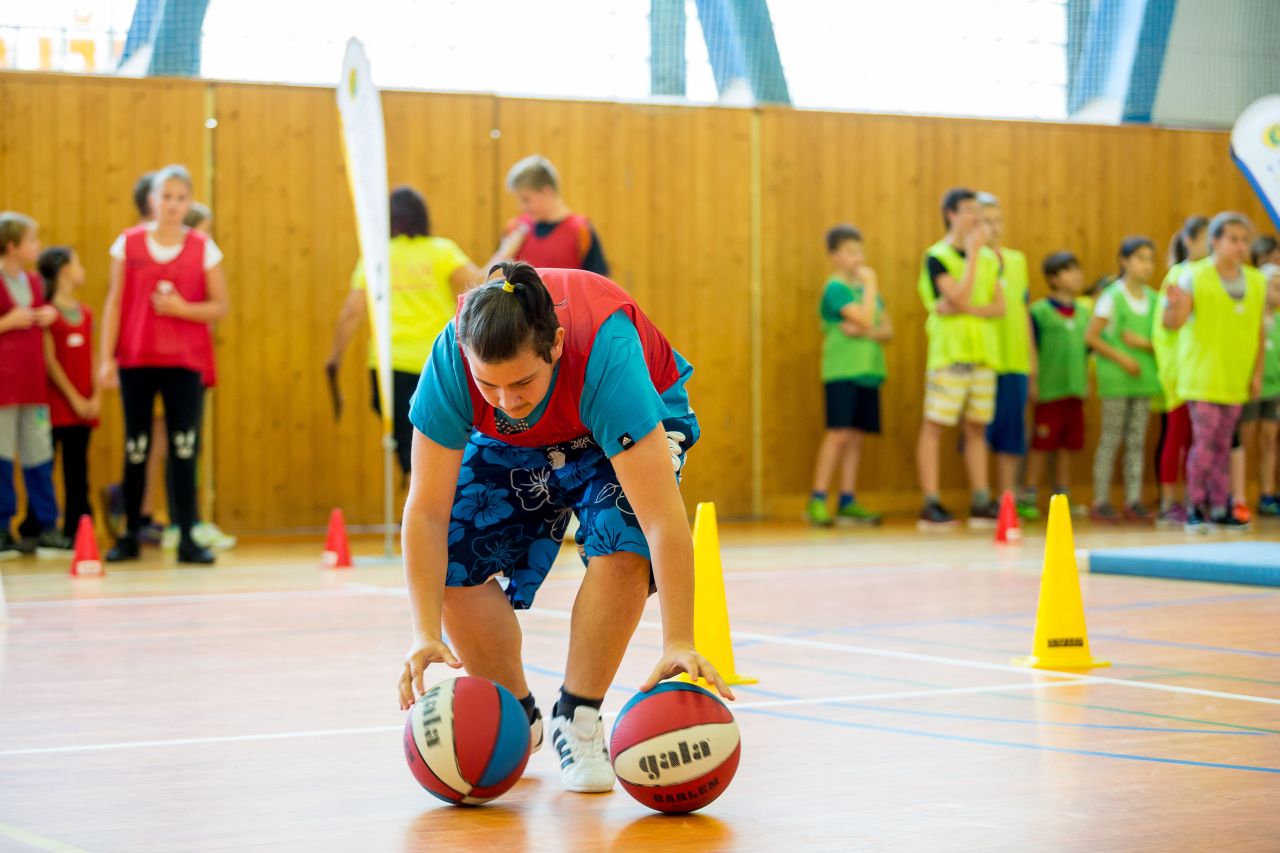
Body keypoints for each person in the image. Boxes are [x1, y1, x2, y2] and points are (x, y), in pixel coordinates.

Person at [397, 261, 733, 795]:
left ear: (554, 345)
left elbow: (661, 519)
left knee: (625, 538)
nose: (506, 401)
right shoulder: (452, 362)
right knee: (452, 556)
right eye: (488, 385)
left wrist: (678, 639)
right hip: (512, 442)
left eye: (521, 381)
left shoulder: (605, 352)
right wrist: (424, 632)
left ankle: (578, 719)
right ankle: (515, 718)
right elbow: (426, 513)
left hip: (610, 420)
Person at [99, 164, 229, 563]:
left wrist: (182, 309)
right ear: (152, 200)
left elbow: (219, 306)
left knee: (183, 449)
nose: (173, 205)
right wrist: (105, 358)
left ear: (189, 203)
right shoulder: (128, 244)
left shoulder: (203, 248)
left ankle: (187, 535)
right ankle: (130, 534)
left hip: (185, 362)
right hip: (136, 358)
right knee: (136, 446)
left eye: (180, 198)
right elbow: (114, 302)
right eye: (166, 197)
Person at [326, 186, 485, 479]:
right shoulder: (441, 251)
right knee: (441, 438)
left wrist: (335, 356)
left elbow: (352, 311)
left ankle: (419, 495)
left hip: (391, 364)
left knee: (409, 444)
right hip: (437, 362)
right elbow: (481, 286)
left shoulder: (377, 257)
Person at [1163, 212, 1266, 533]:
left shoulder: (1256, 280)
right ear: (1215, 242)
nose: (1240, 246)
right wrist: (1172, 305)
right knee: (1205, 445)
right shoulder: (1193, 276)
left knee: (1225, 447)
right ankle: (1195, 506)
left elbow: (1259, 332)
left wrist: (1257, 373)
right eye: (1233, 239)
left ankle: (1220, 507)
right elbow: (1173, 323)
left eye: (1244, 240)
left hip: (1235, 378)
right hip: (1202, 377)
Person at [915, 188, 1005, 530]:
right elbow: (959, 294)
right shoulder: (937, 256)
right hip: (950, 354)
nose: (976, 217)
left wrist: (963, 308)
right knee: (935, 424)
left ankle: (981, 500)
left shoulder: (990, 259)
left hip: (983, 354)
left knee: (977, 427)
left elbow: (998, 307)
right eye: (968, 209)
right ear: (950, 214)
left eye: (978, 210)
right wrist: (972, 255)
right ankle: (930, 502)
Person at [806, 225, 891, 526]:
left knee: (856, 437)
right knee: (839, 434)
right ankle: (817, 499)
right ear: (834, 255)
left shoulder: (866, 292)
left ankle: (847, 500)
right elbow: (869, 319)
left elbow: (886, 330)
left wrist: (866, 329)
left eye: (860, 251)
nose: (858, 257)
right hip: (842, 371)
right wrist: (871, 286)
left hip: (869, 371)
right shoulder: (836, 289)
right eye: (850, 251)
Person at [0, 213, 70, 558]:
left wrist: (50, 315)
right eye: (32, 240)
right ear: (12, 245)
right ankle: (2, 527)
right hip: (3, 387)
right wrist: (7, 322)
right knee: (1, 456)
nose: (37, 246)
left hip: (32, 385)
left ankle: (47, 526)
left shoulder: (34, 282)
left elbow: (43, 320)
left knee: (39, 454)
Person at [1086, 237, 1159, 522]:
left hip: (1144, 380)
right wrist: (1122, 358)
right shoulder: (1112, 296)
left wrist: (1143, 344)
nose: (1146, 266)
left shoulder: (1154, 299)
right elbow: (1092, 337)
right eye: (1140, 258)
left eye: (1150, 259)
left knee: (1137, 441)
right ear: (1123, 261)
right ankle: (1100, 499)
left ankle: (1133, 499)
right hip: (1116, 380)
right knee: (1111, 438)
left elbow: (1163, 341)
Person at [977, 193, 1038, 519]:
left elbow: (1023, 310)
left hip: (1015, 359)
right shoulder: (972, 262)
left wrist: (1032, 361)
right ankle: (982, 498)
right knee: (980, 431)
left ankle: (1008, 498)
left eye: (997, 220)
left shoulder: (1016, 260)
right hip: (984, 357)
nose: (993, 227)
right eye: (986, 221)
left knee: (1013, 431)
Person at [34, 247, 99, 541]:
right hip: (57, 404)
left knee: (78, 469)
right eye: (78, 264)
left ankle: (77, 528)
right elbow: (50, 361)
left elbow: (93, 356)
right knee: (44, 466)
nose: (82, 270)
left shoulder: (85, 313)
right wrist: (74, 398)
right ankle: (38, 527)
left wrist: (95, 396)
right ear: (64, 271)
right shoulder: (48, 314)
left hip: (84, 407)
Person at [1151, 216, 1209, 528]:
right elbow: (1167, 323)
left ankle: (1193, 501)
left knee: (1194, 440)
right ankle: (1167, 503)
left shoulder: (1205, 275)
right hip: (1180, 369)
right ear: (1190, 241)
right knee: (1176, 436)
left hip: (1200, 368)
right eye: (1206, 238)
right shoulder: (1180, 275)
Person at [1024, 252, 1090, 506]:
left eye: (1077, 269)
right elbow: (1031, 349)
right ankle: (1030, 494)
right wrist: (1033, 381)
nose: (1076, 275)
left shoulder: (1084, 312)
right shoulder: (1039, 312)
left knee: (1067, 445)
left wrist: (1087, 382)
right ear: (1053, 278)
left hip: (1075, 388)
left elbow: (1086, 351)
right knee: (1041, 444)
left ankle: (1062, 496)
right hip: (1049, 390)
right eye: (1068, 270)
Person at [499, 155, 608, 274]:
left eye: (526, 199)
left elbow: (599, 280)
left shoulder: (581, 230)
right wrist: (505, 254)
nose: (521, 206)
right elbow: (492, 279)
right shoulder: (515, 229)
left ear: (546, 192)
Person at [1254, 264, 1280, 516]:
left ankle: (1267, 495)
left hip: (1274, 390)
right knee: (1244, 442)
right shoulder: (1252, 319)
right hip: (1251, 390)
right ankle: (1234, 496)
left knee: (1270, 441)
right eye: (1276, 288)